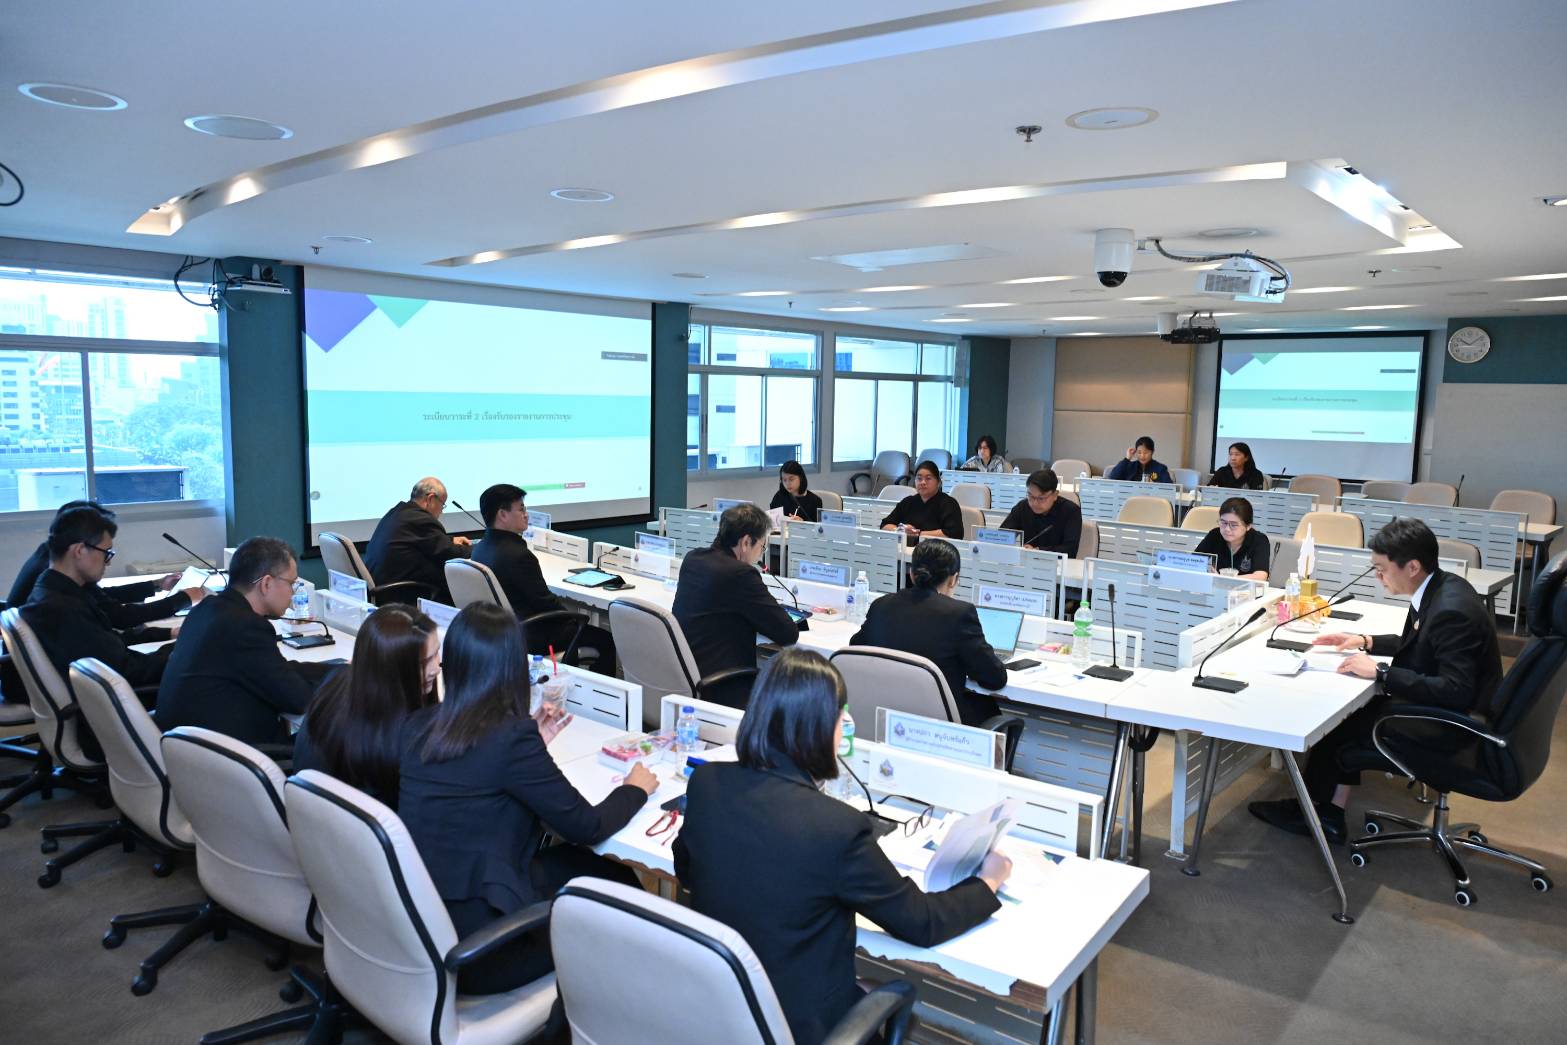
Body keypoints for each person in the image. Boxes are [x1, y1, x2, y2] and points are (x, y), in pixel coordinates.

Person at [674, 648, 1009, 1045]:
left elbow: (687, 872)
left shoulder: (707, 783)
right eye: (839, 714)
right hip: (796, 1028)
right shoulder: (837, 827)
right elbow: (921, 922)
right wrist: (988, 881)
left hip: (724, 1012)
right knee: (876, 994)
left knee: (861, 986)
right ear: (816, 727)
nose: (846, 723)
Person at [398, 603, 657, 994]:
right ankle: (622, 1002)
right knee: (619, 887)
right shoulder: (510, 741)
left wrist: (529, 744)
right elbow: (587, 826)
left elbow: (478, 772)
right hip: (485, 950)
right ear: (512, 670)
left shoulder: (420, 725)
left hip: (424, 924)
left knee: (587, 867)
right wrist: (635, 788)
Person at [1249, 518, 1502, 844]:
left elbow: (1456, 690)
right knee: (1352, 715)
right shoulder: (1440, 587)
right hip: (1450, 709)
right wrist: (1365, 640)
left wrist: (1382, 673)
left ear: (1412, 567)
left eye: (1381, 569)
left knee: (1341, 721)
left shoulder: (1450, 611)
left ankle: (1315, 814)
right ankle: (1328, 811)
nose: (1377, 576)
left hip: (1454, 724)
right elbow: (1422, 645)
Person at [20, 507, 173, 757]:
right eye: (106, 553)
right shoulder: (64, 609)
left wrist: (169, 639)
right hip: (106, 721)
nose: (108, 561)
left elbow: (107, 644)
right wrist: (184, 653)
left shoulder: (53, 589)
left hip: (99, 703)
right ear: (80, 551)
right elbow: (127, 670)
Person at [156, 537, 336, 748]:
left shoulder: (208, 610)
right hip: (235, 755)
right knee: (337, 740)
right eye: (291, 583)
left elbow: (275, 670)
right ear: (266, 583)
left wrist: (336, 671)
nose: (293, 592)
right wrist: (343, 684)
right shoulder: (246, 627)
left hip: (188, 750)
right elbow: (299, 700)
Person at [292, 604, 439, 807]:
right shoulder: (396, 738)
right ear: (393, 670)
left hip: (314, 817)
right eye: (425, 662)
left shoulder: (338, 683)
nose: (436, 669)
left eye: (437, 653)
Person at [850, 539, 1008, 726]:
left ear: (911, 573)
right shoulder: (959, 614)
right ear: (953, 579)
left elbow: (855, 648)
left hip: (886, 716)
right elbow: (995, 678)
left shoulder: (881, 605)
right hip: (938, 727)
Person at [471, 483, 616, 672]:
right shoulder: (519, 555)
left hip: (502, 630)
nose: (526, 514)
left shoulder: (480, 548)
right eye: (521, 509)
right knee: (606, 640)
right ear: (503, 515)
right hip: (531, 634)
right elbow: (545, 602)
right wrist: (575, 620)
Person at [5, 499, 208, 628]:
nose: (108, 562)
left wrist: (156, 585)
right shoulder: (57, 575)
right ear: (80, 546)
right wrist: (181, 600)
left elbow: (100, 599)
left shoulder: (51, 557)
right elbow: (116, 615)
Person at [672, 503, 798, 707]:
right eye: (762, 547)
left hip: (688, 676)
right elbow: (788, 633)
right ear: (746, 542)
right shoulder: (740, 574)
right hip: (722, 687)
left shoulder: (693, 558)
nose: (760, 555)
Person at [363, 477, 472, 602]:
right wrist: (481, 547)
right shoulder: (421, 520)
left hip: (384, 588)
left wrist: (451, 540)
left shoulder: (399, 512)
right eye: (442, 505)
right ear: (430, 499)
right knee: (461, 583)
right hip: (402, 595)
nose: (442, 512)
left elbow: (427, 541)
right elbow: (451, 554)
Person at [998, 468, 1082, 556]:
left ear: (1055, 495)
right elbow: (1002, 536)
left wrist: (1038, 551)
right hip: (1026, 561)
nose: (1034, 503)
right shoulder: (1022, 507)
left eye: (1041, 498)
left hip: (1058, 563)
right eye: (1031, 496)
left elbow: (1070, 549)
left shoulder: (1071, 511)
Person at [879, 460, 964, 539]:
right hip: (906, 548)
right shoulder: (908, 502)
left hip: (936, 548)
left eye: (928, 478)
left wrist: (918, 534)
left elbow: (955, 533)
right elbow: (884, 525)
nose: (923, 482)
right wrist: (900, 530)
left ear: (938, 482)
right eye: (919, 478)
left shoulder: (949, 503)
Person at [1193, 497, 1271, 580]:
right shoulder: (1214, 535)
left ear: (1248, 526)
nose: (1227, 529)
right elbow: (1193, 562)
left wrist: (1224, 579)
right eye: (1223, 523)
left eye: (1233, 525)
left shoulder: (1259, 540)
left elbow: (1261, 576)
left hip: (1246, 587)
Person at [1106, 436, 1174, 484]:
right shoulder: (1129, 466)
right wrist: (1127, 459)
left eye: (1146, 453)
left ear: (1152, 452)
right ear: (1135, 452)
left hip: (1152, 499)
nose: (1142, 456)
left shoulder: (1160, 468)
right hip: (1130, 498)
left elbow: (1170, 488)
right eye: (1139, 452)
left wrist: (1154, 484)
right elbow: (1112, 478)